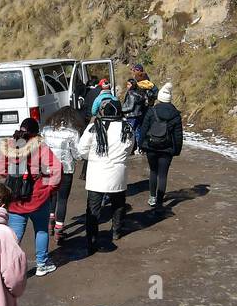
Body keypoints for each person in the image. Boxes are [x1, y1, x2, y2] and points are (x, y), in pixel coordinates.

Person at [0, 118, 61, 277]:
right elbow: (56, 169)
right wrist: (49, 188)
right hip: (38, 198)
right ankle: (42, 264)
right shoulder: (40, 147)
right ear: (36, 133)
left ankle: (8, 269)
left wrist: (14, 180)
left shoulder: (9, 146)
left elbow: (1, 170)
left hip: (15, 199)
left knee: (14, 236)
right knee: (41, 231)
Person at [77, 98, 135, 254]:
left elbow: (82, 150)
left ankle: (92, 240)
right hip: (117, 173)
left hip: (97, 173)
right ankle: (116, 230)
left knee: (93, 209)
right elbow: (129, 149)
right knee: (118, 204)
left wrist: (94, 158)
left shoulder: (93, 127)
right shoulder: (127, 128)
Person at [41, 107, 85, 240]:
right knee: (62, 199)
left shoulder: (46, 130)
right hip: (65, 169)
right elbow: (77, 155)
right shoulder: (73, 133)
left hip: (47, 168)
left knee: (50, 196)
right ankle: (59, 229)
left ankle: (50, 222)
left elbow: (41, 148)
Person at [141, 81, 184, 212]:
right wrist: (176, 150)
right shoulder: (175, 114)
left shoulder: (152, 111)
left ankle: (152, 197)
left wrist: (141, 144)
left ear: (159, 97)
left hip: (151, 146)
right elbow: (178, 135)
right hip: (167, 148)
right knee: (163, 175)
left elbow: (144, 129)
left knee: (153, 172)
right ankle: (159, 201)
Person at [122, 64, 157, 147]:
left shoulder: (143, 81)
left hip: (142, 108)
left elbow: (154, 93)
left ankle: (138, 145)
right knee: (141, 127)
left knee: (139, 128)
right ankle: (141, 145)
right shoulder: (145, 82)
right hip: (143, 107)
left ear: (139, 70)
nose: (133, 72)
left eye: (135, 70)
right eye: (133, 70)